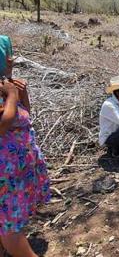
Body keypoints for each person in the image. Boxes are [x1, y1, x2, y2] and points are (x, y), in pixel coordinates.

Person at [0, 35, 50, 257]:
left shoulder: (6, 85)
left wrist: (21, 94)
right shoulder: (5, 90)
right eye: (7, 56)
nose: (11, 60)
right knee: (9, 227)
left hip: (18, 171)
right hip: (6, 175)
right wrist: (11, 96)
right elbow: (3, 124)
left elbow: (24, 116)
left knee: (7, 224)